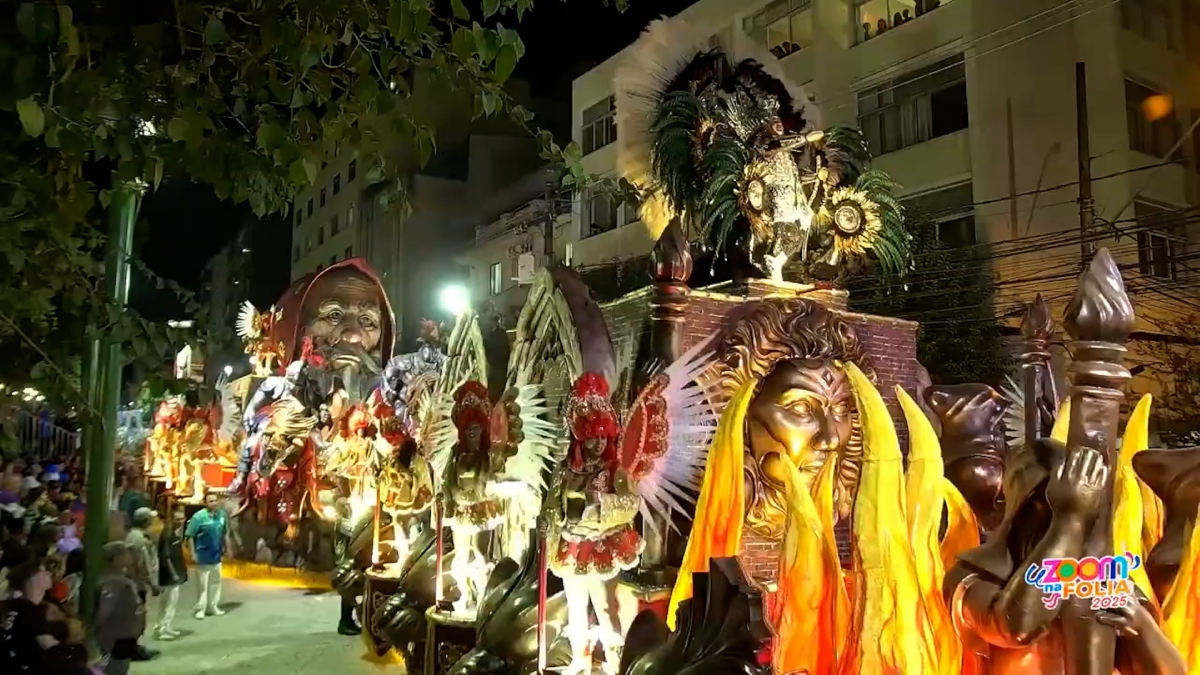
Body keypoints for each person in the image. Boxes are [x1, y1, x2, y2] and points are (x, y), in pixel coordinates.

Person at [0, 557, 87, 673]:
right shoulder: (30, 611)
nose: (48, 573)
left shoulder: (17, 606)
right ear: (31, 578)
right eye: (43, 571)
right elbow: (50, 647)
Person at [95, 542, 145, 675]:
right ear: (116, 558)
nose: (129, 556)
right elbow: (104, 611)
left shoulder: (123, 579)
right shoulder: (112, 583)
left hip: (126, 635)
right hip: (117, 638)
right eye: (125, 554)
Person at [123, 508, 159, 661]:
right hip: (136, 585)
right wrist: (152, 584)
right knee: (135, 619)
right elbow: (143, 565)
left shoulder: (133, 535)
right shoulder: (139, 540)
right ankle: (131, 649)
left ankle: (133, 646)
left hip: (133, 583)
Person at [185, 492, 227, 620]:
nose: (214, 503)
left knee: (215, 582)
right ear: (205, 503)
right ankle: (200, 609)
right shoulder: (198, 517)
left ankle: (213, 606)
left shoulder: (221, 515)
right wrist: (193, 553)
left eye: (215, 500)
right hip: (203, 556)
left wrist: (226, 547)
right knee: (203, 585)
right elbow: (190, 535)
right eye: (211, 501)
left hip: (216, 556)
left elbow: (224, 533)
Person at [154, 507, 187, 640]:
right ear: (170, 519)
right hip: (169, 577)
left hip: (174, 574)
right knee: (169, 603)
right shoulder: (168, 535)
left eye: (181, 519)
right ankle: (162, 629)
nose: (180, 522)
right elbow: (165, 557)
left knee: (167, 602)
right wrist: (174, 574)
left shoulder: (173, 533)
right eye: (177, 519)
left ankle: (165, 626)